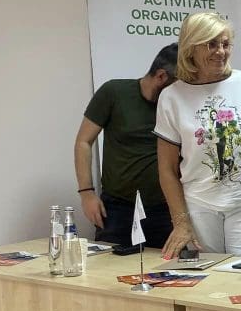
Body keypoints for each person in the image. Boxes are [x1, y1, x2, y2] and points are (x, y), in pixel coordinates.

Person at [154, 12, 241, 258]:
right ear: (191, 47)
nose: (220, 52)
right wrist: (180, 222)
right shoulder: (171, 97)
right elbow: (167, 169)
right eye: (211, 44)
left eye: (225, 44)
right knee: (208, 278)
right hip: (198, 206)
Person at [74, 43, 178, 248]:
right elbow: (83, 142)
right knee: (109, 266)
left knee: (166, 266)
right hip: (117, 207)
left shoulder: (176, 106)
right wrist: (86, 194)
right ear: (161, 76)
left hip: (165, 208)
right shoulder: (114, 92)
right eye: (179, 85)